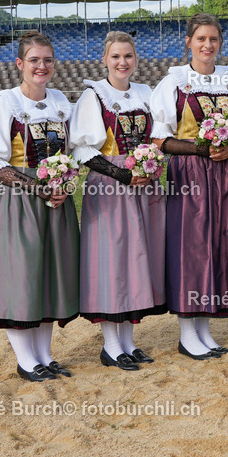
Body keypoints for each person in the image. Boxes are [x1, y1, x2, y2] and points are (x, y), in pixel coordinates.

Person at [0, 31, 79, 382]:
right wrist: (39, 189)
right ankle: (26, 359)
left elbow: (72, 152)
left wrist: (63, 185)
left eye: (47, 60)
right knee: (23, 276)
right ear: (20, 64)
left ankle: (44, 355)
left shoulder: (62, 100)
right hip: (18, 202)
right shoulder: (6, 101)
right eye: (34, 60)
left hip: (55, 200)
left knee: (49, 274)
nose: (41, 66)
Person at [150, 13, 228, 360]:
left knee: (219, 244)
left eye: (214, 40)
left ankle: (204, 329)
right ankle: (187, 332)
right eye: (201, 39)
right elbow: (160, 137)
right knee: (191, 246)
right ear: (188, 42)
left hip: (227, 173)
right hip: (190, 173)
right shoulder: (174, 82)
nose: (208, 45)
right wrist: (202, 148)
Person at [70, 31, 166, 371]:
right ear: (105, 60)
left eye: (128, 56)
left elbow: (160, 134)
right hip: (110, 186)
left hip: (144, 184)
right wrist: (124, 174)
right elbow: (82, 149)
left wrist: (149, 163)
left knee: (137, 260)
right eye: (115, 57)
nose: (122, 62)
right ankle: (111, 346)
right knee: (112, 262)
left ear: (136, 60)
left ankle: (128, 342)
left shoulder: (145, 92)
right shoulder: (93, 95)